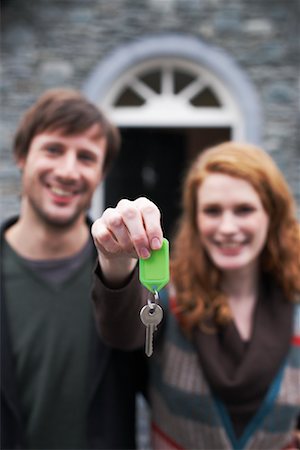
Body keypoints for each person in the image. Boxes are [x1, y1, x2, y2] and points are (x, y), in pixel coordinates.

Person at [91, 141, 300, 450]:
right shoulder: (166, 295)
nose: (227, 227)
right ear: (195, 219)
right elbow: (123, 330)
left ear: (272, 215)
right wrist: (115, 260)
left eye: (244, 210)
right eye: (212, 211)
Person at [0, 88, 146, 449]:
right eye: (53, 150)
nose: (67, 171)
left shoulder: (130, 273)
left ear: (101, 173)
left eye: (85, 157)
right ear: (22, 155)